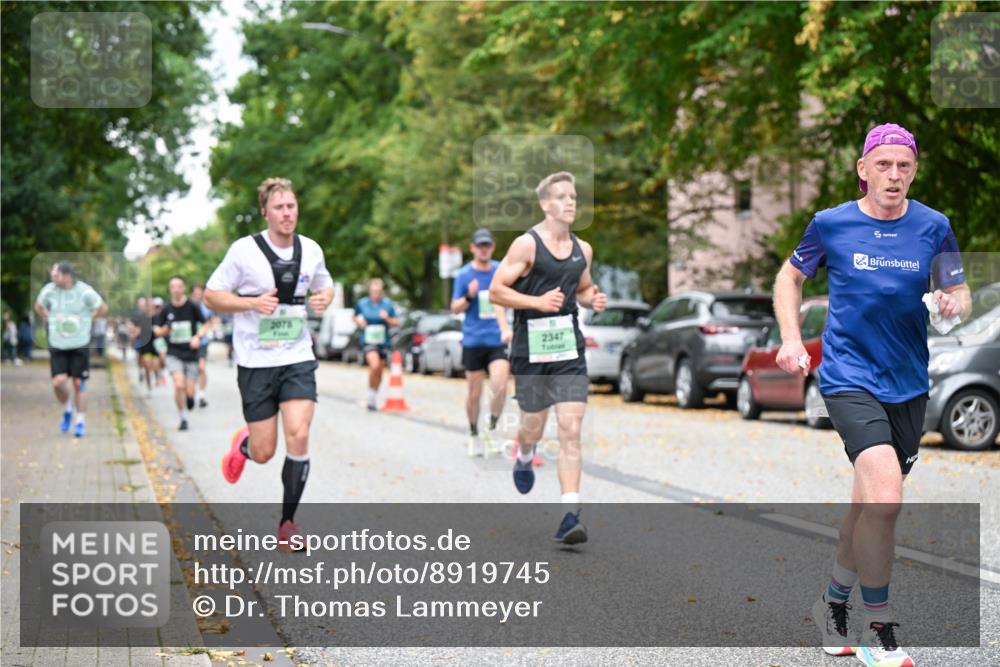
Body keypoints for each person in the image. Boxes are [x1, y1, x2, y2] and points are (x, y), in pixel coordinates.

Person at [774, 124, 970, 667]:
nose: (894, 175)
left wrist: (956, 302)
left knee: (868, 506)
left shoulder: (934, 226)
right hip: (848, 377)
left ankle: (831, 606)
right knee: (886, 495)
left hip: (907, 383)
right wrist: (792, 338)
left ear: (914, 171)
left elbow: (958, 288)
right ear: (863, 169)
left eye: (903, 166)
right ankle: (880, 629)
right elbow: (789, 278)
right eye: (883, 165)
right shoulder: (831, 224)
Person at [205, 177, 333, 548]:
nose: (287, 213)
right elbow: (213, 296)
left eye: (291, 206)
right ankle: (244, 446)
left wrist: (323, 297)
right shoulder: (243, 251)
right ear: (265, 211)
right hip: (255, 361)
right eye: (279, 207)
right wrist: (250, 303)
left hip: (297, 357)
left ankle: (287, 524)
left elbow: (326, 285)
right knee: (265, 453)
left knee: (300, 433)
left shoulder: (311, 250)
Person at [489, 172, 607, 545]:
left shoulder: (582, 249)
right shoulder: (526, 245)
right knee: (533, 426)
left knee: (571, 429)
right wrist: (537, 302)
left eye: (573, 196)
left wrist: (593, 299)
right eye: (561, 197)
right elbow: (496, 291)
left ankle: (570, 514)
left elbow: (584, 288)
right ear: (545, 204)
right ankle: (525, 452)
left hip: (569, 349)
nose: (570, 203)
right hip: (531, 348)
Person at [450, 228, 513, 457]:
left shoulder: (500, 271)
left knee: (500, 385)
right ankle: (473, 432)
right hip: (473, 339)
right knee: (474, 393)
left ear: (493, 247)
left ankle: (493, 429)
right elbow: (454, 307)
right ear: (473, 248)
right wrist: (469, 295)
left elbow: (509, 297)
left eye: (487, 245)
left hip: (497, 338)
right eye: (480, 246)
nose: (484, 249)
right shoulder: (464, 274)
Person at [34, 261, 106, 437]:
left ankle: (80, 422)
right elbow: (38, 306)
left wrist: (89, 318)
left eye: (56, 274)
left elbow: (102, 307)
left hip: (79, 344)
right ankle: (68, 409)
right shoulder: (49, 290)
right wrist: (48, 318)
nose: (53, 277)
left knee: (79, 383)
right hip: (58, 344)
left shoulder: (84, 291)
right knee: (58, 382)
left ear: (67, 275)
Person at [153, 276, 209, 431]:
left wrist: (197, 336)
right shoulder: (166, 308)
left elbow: (206, 324)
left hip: (191, 353)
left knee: (189, 390)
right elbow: (156, 329)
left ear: (183, 288)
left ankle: (191, 397)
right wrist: (163, 331)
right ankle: (183, 418)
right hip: (174, 352)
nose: (176, 289)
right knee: (179, 385)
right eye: (173, 286)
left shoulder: (192, 306)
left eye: (179, 286)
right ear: (170, 289)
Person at [353, 278, 400, 411]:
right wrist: (359, 322)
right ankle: (370, 394)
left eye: (378, 291)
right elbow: (355, 316)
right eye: (374, 291)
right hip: (368, 340)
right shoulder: (362, 303)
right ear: (369, 291)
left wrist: (387, 318)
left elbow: (396, 322)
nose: (376, 294)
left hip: (384, 341)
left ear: (382, 291)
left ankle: (373, 396)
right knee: (374, 365)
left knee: (380, 370)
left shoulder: (387, 304)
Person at [190, 283, 216, 408]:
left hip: (202, 342)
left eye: (200, 292)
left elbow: (210, 322)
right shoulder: (188, 306)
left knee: (201, 368)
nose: (198, 294)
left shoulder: (206, 307)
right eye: (196, 292)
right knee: (191, 370)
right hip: (188, 343)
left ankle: (201, 395)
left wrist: (201, 334)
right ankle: (190, 393)